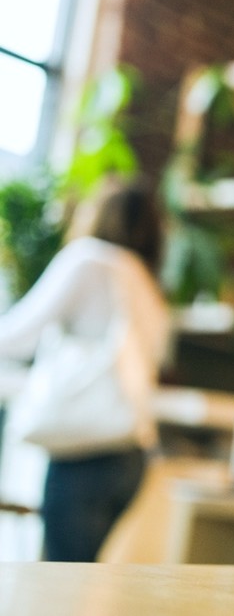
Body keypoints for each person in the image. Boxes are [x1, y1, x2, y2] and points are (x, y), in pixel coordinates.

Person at [0, 179, 170, 562]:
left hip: (86, 454)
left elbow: (17, 336)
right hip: (130, 458)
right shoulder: (148, 283)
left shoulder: (91, 259)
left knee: (56, 587)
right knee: (72, 578)